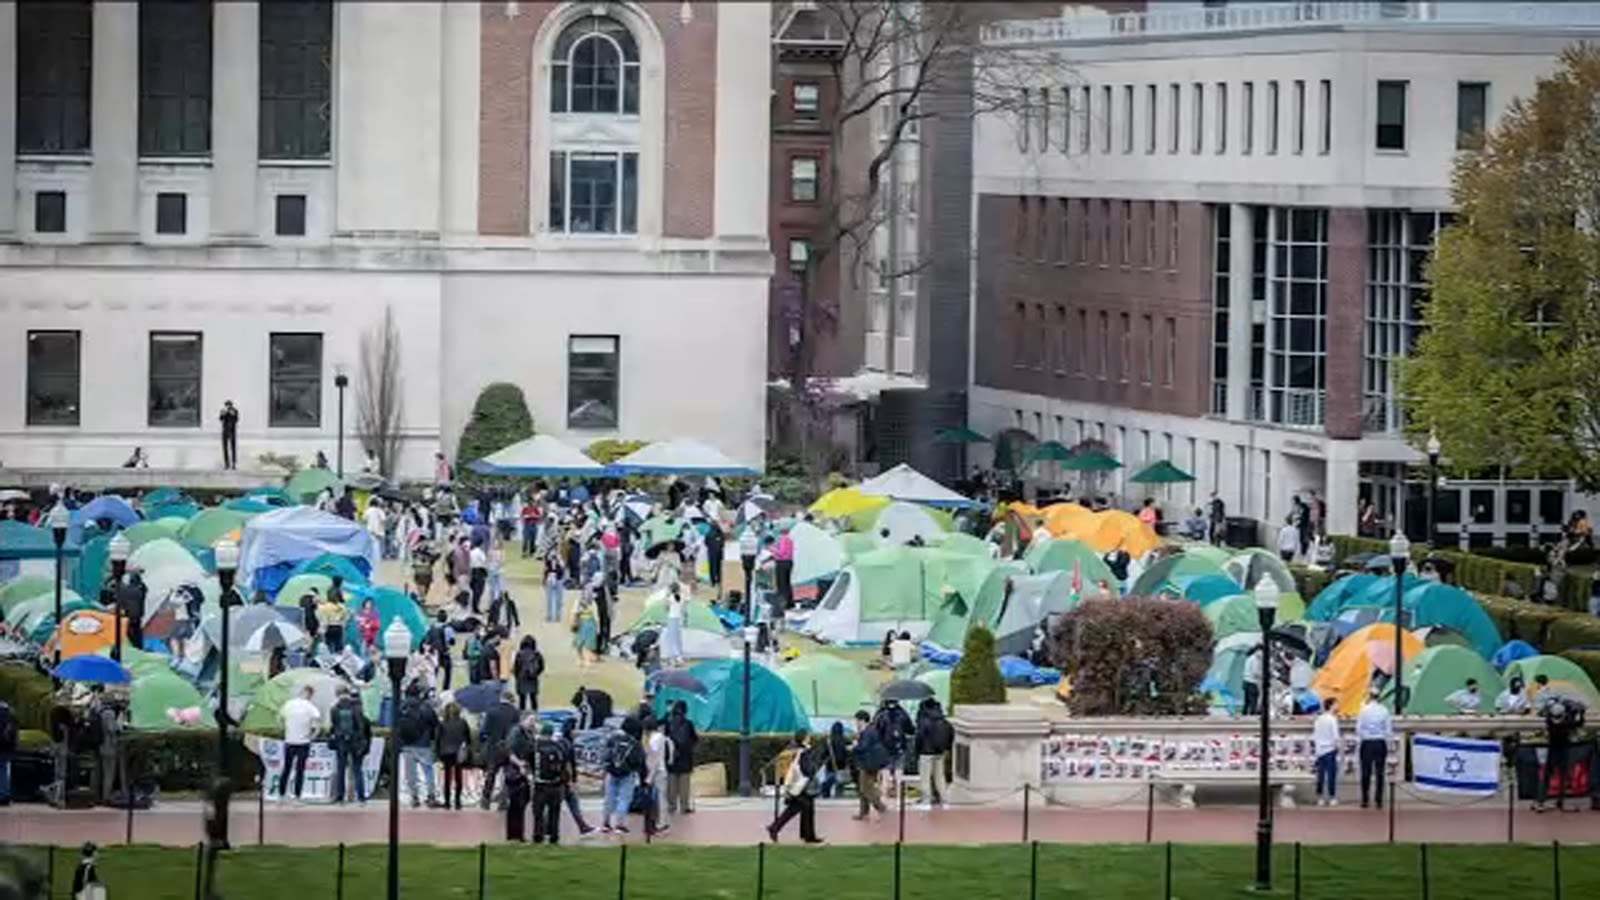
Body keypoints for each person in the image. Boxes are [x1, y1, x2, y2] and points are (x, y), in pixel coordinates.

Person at [1536, 676, 1585, 812]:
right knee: (1560, 775)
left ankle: (1544, 800)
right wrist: (1580, 712)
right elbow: (1579, 723)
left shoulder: (1551, 722)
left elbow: (1545, 713)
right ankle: (1556, 800)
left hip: (1555, 749)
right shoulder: (1565, 722)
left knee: (1550, 775)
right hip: (1562, 749)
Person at [767, 730, 825, 844]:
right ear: (804, 738)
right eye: (808, 736)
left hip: (797, 783)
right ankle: (776, 828)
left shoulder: (794, 749)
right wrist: (813, 769)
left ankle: (807, 835)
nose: (810, 738)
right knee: (800, 807)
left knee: (803, 808)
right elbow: (807, 769)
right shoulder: (803, 751)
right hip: (801, 784)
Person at [397, 684, 441, 808]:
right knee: (428, 771)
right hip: (423, 743)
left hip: (407, 744)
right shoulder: (425, 707)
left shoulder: (401, 707)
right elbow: (435, 723)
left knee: (411, 773)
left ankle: (414, 797)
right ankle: (431, 796)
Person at [602, 718, 646, 835]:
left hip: (611, 772)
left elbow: (605, 754)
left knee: (609, 797)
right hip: (627, 773)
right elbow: (639, 760)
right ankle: (620, 825)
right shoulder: (634, 743)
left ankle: (606, 823)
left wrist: (607, 767)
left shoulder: (612, 738)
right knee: (624, 799)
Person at [328, 686, 371, 805]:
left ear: (337, 694)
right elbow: (362, 725)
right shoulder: (357, 707)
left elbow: (334, 726)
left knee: (341, 769)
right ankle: (361, 798)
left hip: (341, 742)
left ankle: (340, 797)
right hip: (356, 742)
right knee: (357, 770)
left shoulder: (335, 709)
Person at [527, 722, 569, 844]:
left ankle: (538, 836)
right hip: (556, 785)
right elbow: (565, 765)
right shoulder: (559, 747)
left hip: (540, 785)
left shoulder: (535, 747)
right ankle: (554, 836)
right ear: (551, 734)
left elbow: (528, 762)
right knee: (554, 813)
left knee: (538, 813)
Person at [278, 685, 321, 803]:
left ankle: (281, 795)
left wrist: (285, 731)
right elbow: (317, 725)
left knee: (286, 768)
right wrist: (312, 736)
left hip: (289, 740)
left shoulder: (289, 704)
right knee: (300, 770)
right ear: (310, 695)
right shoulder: (311, 707)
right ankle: (297, 796)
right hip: (303, 742)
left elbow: (280, 719)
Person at [479, 690, 521, 811]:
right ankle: (503, 800)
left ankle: (485, 799)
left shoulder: (492, 711)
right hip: (509, 747)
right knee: (508, 775)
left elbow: (484, 731)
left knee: (491, 774)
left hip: (494, 747)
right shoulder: (515, 713)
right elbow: (516, 731)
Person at [1356, 688, 1393, 809]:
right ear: (1379, 697)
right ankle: (1379, 800)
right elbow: (1388, 730)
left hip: (1367, 742)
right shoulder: (1384, 710)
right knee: (1379, 772)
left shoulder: (1363, 710)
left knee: (1365, 772)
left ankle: (1365, 799)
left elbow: (1359, 728)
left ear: (1370, 696)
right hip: (1379, 742)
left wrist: (1363, 737)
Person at [915, 699, 954, 809]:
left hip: (926, 753)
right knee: (940, 776)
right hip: (940, 752)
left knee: (925, 777)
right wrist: (946, 749)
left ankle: (926, 800)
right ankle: (945, 799)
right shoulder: (944, 721)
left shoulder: (924, 721)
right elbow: (951, 735)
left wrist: (917, 751)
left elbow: (919, 738)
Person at [851, 710, 890, 820]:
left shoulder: (868, 732)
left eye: (857, 721)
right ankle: (864, 812)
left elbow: (863, 747)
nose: (856, 723)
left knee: (865, 789)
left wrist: (854, 746)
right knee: (864, 788)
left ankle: (880, 807)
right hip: (870, 763)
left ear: (862, 720)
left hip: (868, 764)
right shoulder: (871, 730)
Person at [436, 702, 472, 811]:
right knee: (458, 776)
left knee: (447, 777)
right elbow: (468, 738)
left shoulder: (442, 723)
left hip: (445, 752)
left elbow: (438, 739)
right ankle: (458, 801)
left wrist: (438, 753)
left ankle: (447, 801)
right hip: (458, 752)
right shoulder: (463, 722)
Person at [1312, 699, 1340, 807]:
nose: (1338, 706)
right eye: (1336, 704)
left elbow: (1315, 735)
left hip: (1320, 750)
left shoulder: (1318, 719)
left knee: (1321, 775)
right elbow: (1335, 736)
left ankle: (1320, 797)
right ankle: (1332, 797)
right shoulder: (1332, 719)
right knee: (1331, 774)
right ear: (1331, 706)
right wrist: (1336, 746)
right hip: (1330, 749)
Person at [424, 610, 454, 690]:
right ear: (446, 618)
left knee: (433, 673)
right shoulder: (448, 628)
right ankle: (445, 689)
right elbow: (452, 642)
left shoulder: (431, 628)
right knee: (448, 672)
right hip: (444, 653)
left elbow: (427, 641)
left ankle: (432, 690)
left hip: (433, 653)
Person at [513, 635, 545, 712]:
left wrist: (517, 676)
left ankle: (521, 716)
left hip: (521, 678)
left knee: (522, 700)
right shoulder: (537, 654)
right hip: (532, 678)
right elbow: (542, 666)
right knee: (533, 698)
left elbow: (516, 667)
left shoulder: (519, 654)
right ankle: (535, 715)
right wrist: (536, 674)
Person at [663, 582, 687, 668]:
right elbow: (684, 610)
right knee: (678, 639)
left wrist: (666, 596)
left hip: (672, 619)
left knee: (672, 638)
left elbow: (666, 608)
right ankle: (680, 657)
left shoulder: (670, 598)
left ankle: (674, 658)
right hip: (679, 619)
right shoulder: (683, 597)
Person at [0, 698, 15, 806]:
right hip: (7, 745)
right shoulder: (9, 714)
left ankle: (3, 794)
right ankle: (4, 795)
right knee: (4, 769)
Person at [1241, 646, 1264, 717]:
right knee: (1253, 701)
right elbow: (1255, 672)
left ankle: (1244, 715)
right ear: (1258, 651)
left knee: (1247, 701)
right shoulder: (1255, 660)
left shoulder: (1249, 658)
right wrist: (1263, 675)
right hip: (1252, 682)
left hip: (1246, 681)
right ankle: (1252, 716)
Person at [544, 555, 567, 623]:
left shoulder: (560, 561)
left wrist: (559, 561)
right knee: (549, 599)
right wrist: (544, 579)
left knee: (559, 599)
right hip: (550, 579)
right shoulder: (548, 561)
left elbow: (563, 570)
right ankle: (549, 615)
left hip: (558, 580)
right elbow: (545, 569)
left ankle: (558, 615)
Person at [469, 540, 489, 614]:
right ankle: (475, 607)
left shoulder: (471, 552)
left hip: (473, 571)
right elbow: (484, 562)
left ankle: (474, 606)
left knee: (475, 590)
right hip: (480, 571)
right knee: (479, 590)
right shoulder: (480, 553)